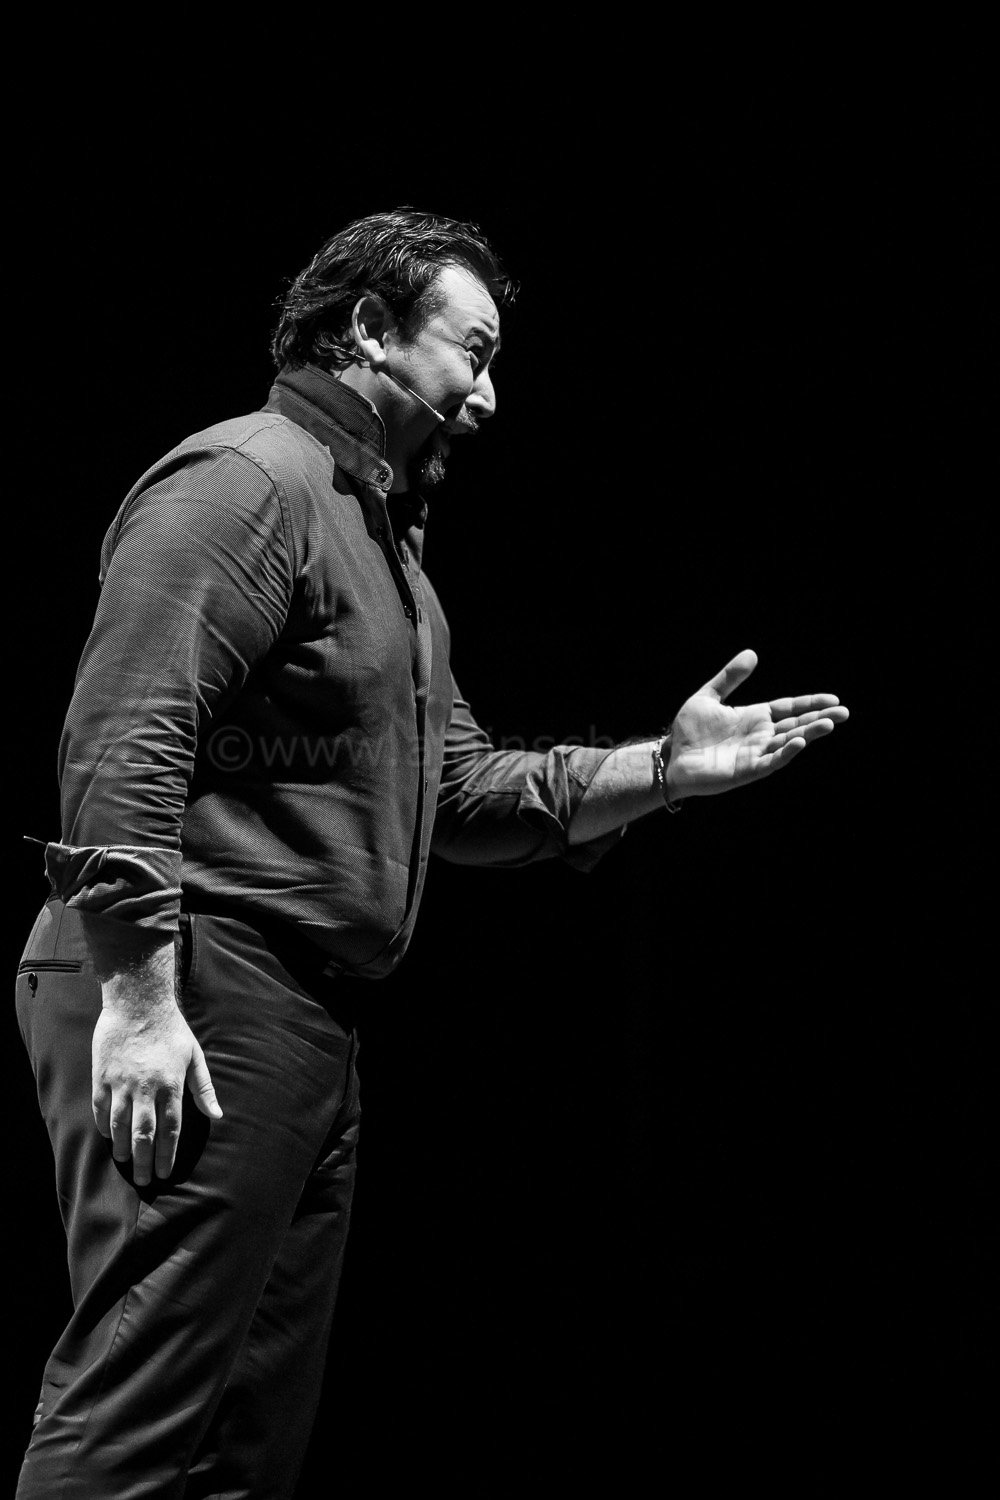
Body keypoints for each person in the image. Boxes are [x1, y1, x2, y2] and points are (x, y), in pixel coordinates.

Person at [15, 207, 848, 1498]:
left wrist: (664, 771)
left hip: (297, 1015)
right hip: (197, 977)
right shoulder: (249, 482)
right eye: (475, 352)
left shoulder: (382, 545)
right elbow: (125, 735)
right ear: (369, 330)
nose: (490, 398)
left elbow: (456, 793)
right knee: (138, 1414)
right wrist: (137, 995)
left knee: (241, 1447)